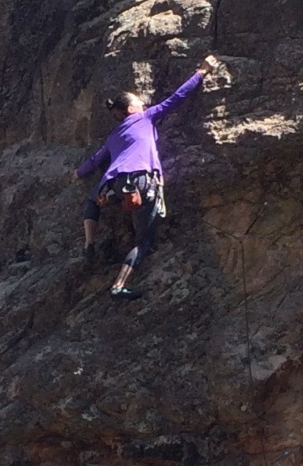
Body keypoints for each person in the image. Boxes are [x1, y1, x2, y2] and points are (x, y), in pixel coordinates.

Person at [75, 65, 210, 296]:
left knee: (92, 201)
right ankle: (119, 286)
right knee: (143, 241)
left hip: (113, 184)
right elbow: (177, 98)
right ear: (131, 109)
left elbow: (96, 160)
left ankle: (89, 242)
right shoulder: (145, 117)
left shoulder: (113, 136)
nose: (144, 104)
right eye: (139, 102)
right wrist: (201, 73)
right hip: (141, 181)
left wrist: (77, 173)